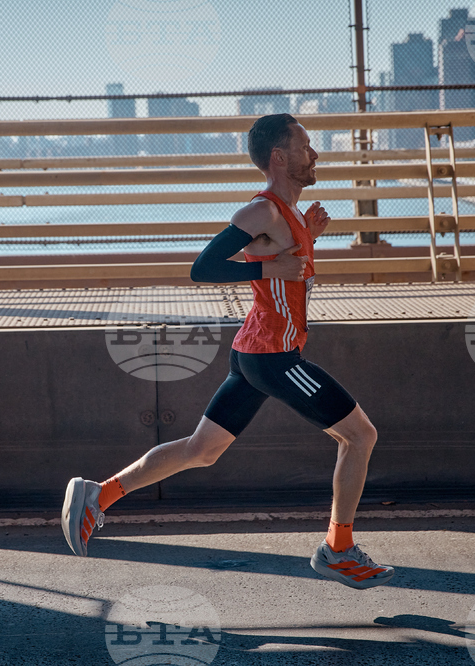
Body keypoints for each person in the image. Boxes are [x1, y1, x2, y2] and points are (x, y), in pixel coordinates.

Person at [62, 113, 393, 590]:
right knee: (359, 436)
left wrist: (306, 240)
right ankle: (338, 550)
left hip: (254, 351)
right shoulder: (262, 212)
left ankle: (100, 494)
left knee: (202, 450)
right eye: (305, 146)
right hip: (275, 357)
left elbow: (280, 262)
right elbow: (204, 267)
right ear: (279, 158)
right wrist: (269, 269)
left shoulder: (289, 214)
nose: (315, 154)